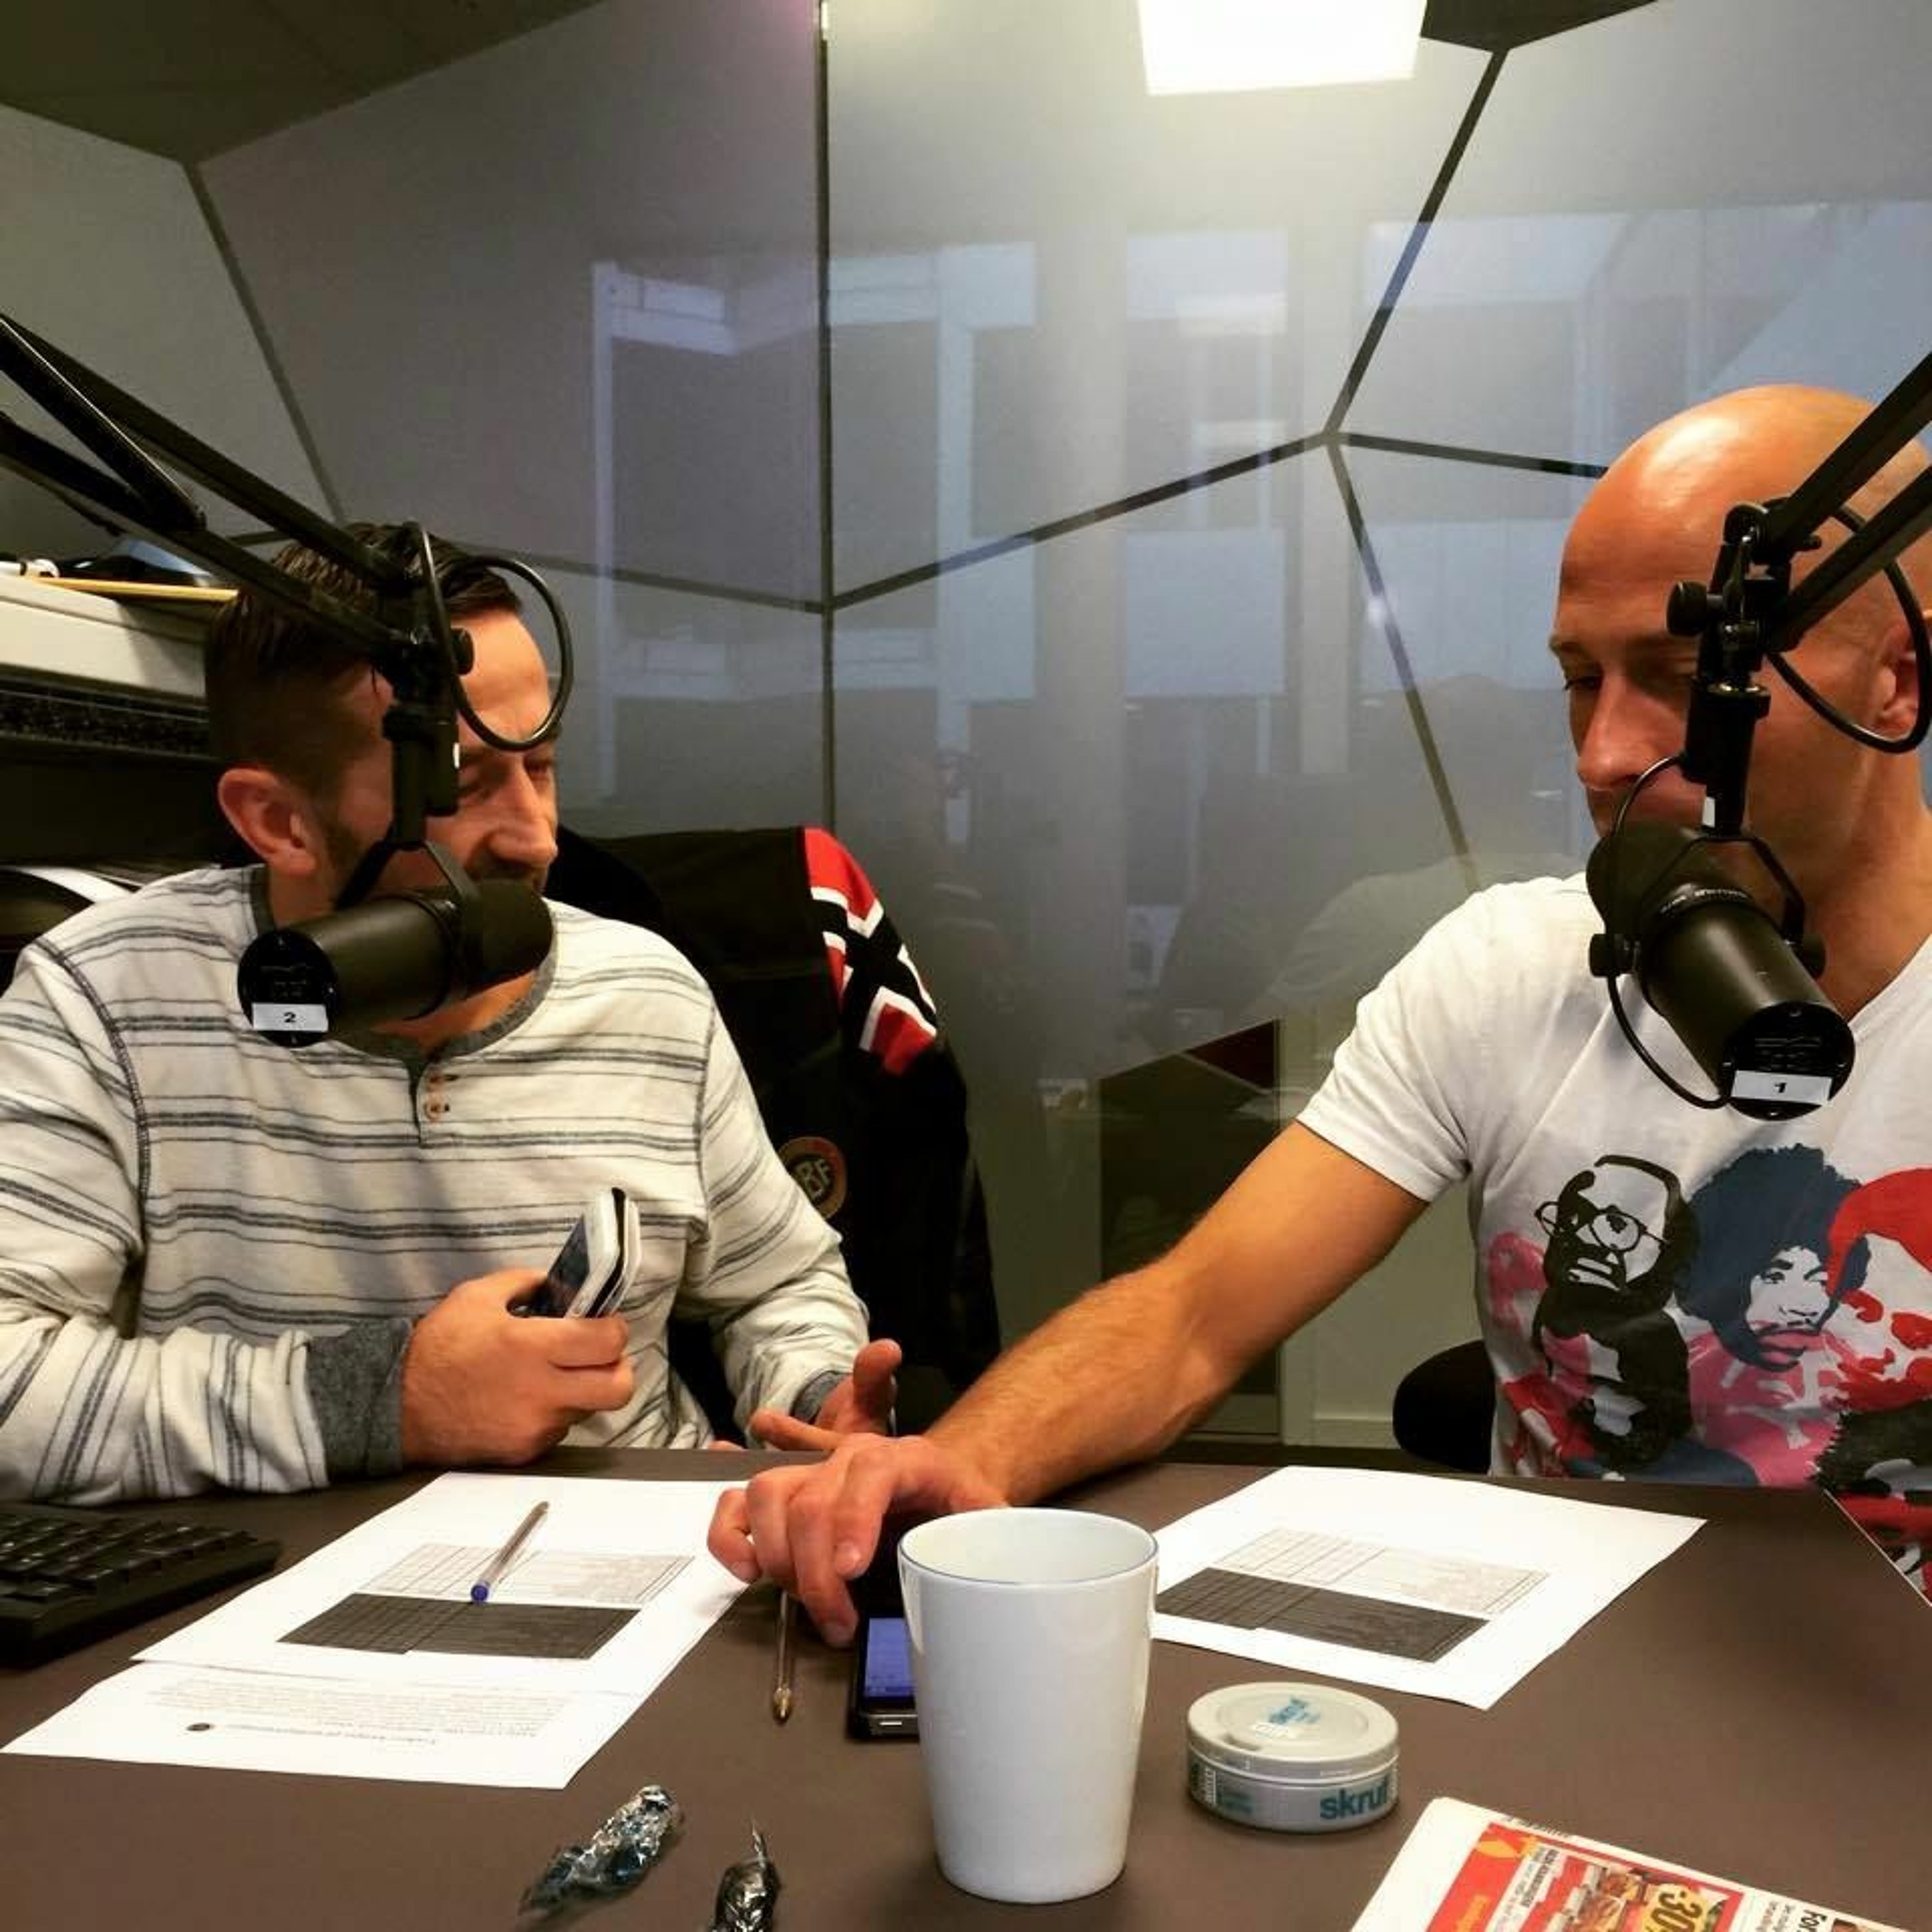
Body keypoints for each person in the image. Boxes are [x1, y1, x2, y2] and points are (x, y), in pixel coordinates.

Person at [708, 383, 1932, 1631]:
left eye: (1679, 679)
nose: (1603, 755)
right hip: (1575, 1672)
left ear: (1895, 681)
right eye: (1580, 679)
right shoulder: (1507, 971)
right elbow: (1189, 1316)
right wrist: (964, 1461)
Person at [0, 526, 895, 1502]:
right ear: (279, 822)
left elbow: (777, 1283)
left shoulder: (648, 990)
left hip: (645, 1544)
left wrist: (817, 1401)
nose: (539, 839)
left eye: (540, 768)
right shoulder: (103, 993)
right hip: (290, 1573)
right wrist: (389, 1400)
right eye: (465, 786)